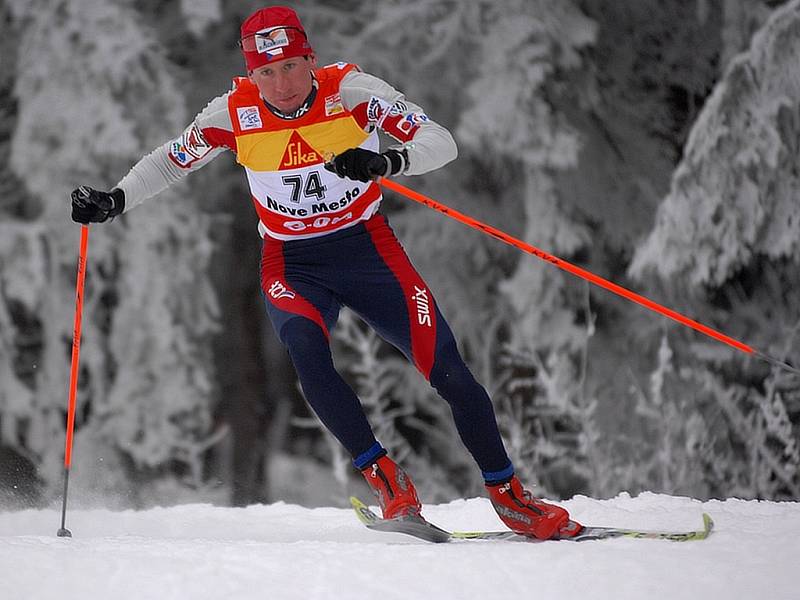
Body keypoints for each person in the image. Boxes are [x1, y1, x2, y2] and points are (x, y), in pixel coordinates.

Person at [70, 5, 580, 539]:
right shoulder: (231, 114)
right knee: (308, 359)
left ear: (310, 58)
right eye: (266, 72)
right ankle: (386, 479)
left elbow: (440, 142)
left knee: (448, 368)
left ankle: (509, 496)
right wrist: (115, 200)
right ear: (250, 74)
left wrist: (386, 162)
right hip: (292, 262)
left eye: (290, 66)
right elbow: (171, 160)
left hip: (368, 252)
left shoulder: (353, 92)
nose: (281, 83)